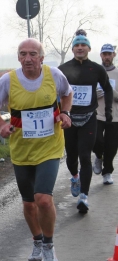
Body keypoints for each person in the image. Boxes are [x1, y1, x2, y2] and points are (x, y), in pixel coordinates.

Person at [0, 38, 72, 261]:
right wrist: (1, 125)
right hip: (22, 151)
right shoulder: (9, 80)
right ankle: (37, 240)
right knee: (28, 203)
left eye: (33, 54)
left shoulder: (53, 75)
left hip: (50, 147)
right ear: (18, 58)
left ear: (41, 58)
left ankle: (49, 247)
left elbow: (67, 93)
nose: (28, 58)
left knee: (43, 199)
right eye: (23, 54)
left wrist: (66, 113)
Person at [58, 30, 113, 213]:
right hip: (69, 118)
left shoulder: (96, 69)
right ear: (73, 48)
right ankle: (74, 177)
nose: (80, 47)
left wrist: (108, 112)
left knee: (85, 156)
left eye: (83, 45)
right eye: (77, 45)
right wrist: (56, 113)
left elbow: (107, 89)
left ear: (89, 48)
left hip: (89, 117)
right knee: (72, 156)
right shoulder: (63, 69)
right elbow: (54, 92)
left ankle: (84, 196)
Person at [92, 43, 118, 185]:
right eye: (104, 54)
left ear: (114, 55)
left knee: (112, 146)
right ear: (101, 55)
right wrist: (94, 94)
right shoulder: (95, 72)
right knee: (97, 140)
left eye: (109, 54)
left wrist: (111, 92)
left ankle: (107, 172)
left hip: (114, 116)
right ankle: (98, 156)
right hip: (97, 113)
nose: (107, 57)